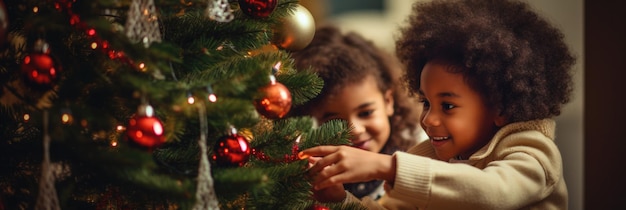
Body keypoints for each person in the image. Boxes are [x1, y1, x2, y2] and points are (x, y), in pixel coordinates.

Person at [300, 0, 575, 209]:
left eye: (448, 106)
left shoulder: (532, 151)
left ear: (500, 107)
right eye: (426, 103)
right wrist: (341, 200)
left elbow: (492, 191)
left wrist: (387, 166)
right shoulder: (426, 156)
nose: (429, 120)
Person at [290, 26, 427, 200]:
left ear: (388, 101)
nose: (355, 130)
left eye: (366, 113)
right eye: (335, 121)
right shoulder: (311, 178)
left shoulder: (420, 152)